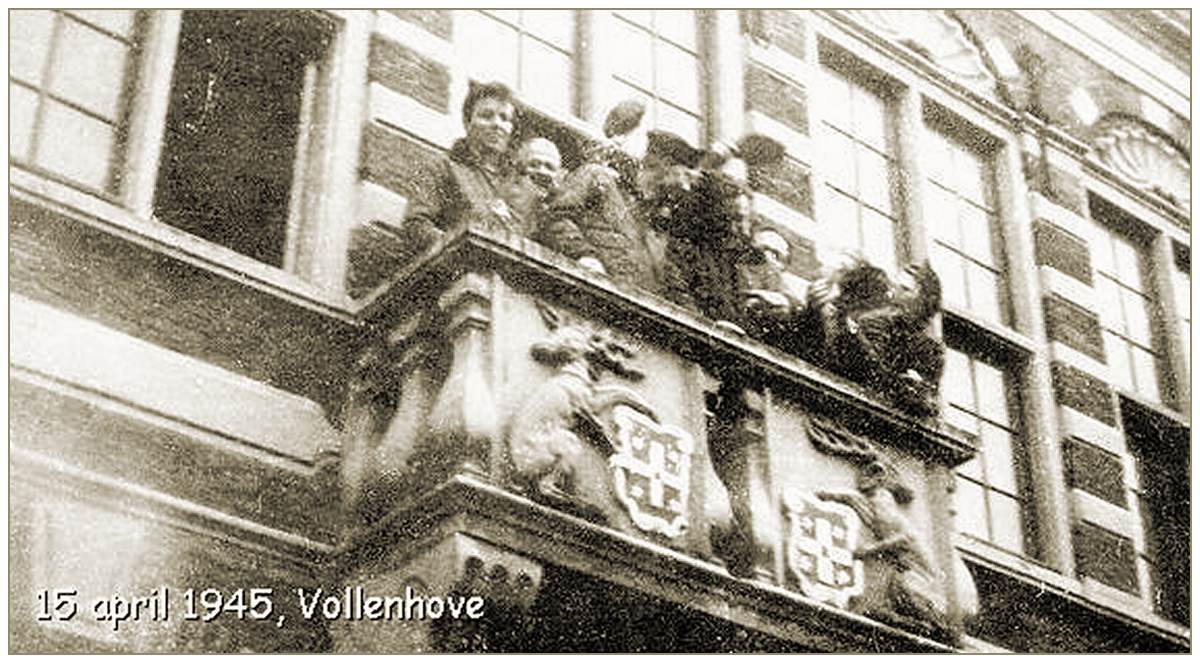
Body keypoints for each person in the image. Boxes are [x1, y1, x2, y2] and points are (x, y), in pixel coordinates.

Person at [541, 100, 662, 288]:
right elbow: (556, 216)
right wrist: (583, 255)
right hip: (605, 290)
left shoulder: (641, 205)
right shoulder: (594, 176)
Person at [397, 81, 521, 254]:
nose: (497, 124)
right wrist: (461, 249)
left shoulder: (518, 184)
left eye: (504, 118)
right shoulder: (441, 167)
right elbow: (416, 225)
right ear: (467, 122)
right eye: (486, 116)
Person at [504, 136, 566, 240]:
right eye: (533, 165)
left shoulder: (555, 215)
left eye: (549, 167)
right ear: (519, 168)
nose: (542, 171)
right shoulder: (503, 205)